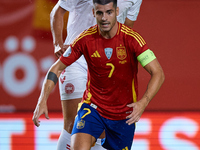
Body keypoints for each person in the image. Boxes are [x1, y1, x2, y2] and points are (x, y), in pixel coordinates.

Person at [33, 0, 165, 149]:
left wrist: (143, 102)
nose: (104, 18)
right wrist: (42, 100)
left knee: (101, 133)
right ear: (94, 12)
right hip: (78, 59)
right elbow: (57, 12)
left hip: (109, 69)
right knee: (73, 124)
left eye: (109, 12)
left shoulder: (132, 38)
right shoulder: (84, 39)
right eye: (100, 13)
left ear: (116, 11)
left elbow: (157, 72)